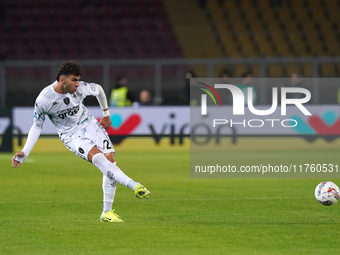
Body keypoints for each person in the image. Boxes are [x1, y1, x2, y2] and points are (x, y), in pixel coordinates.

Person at [12, 61, 151, 223]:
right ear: (62, 80)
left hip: (91, 125)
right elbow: (37, 127)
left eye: (78, 79)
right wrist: (25, 151)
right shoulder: (44, 99)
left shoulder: (80, 88)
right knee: (100, 160)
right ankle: (134, 185)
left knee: (111, 161)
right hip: (71, 135)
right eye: (74, 80)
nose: (78, 84)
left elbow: (98, 89)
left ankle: (107, 213)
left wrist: (106, 114)